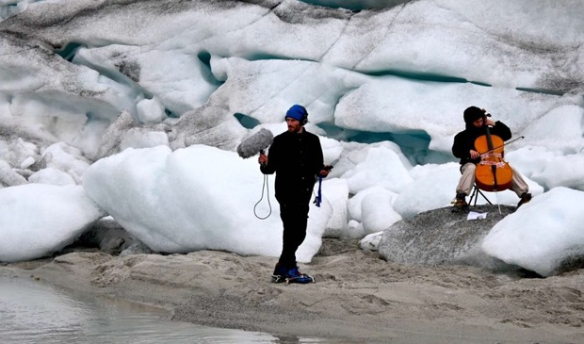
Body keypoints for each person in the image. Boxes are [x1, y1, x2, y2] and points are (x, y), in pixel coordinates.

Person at [258, 104, 331, 284]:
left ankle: (281, 267)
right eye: (288, 120)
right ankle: (290, 269)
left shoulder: (313, 141)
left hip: (304, 192)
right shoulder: (280, 141)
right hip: (285, 192)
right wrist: (264, 163)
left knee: (299, 232)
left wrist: (322, 171)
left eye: (293, 120)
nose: (289, 123)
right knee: (291, 230)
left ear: (302, 121)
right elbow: (270, 170)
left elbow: (317, 165)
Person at [451, 106, 532, 208]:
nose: (480, 124)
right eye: (477, 122)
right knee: (471, 167)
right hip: (471, 164)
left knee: (508, 168)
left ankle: (524, 195)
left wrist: (493, 123)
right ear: (469, 122)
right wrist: (468, 151)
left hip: (494, 162)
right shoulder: (462, 136)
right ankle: (461, 197)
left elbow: (507, 134)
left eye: (481, 121)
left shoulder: (491, 131)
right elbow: (456, 152)